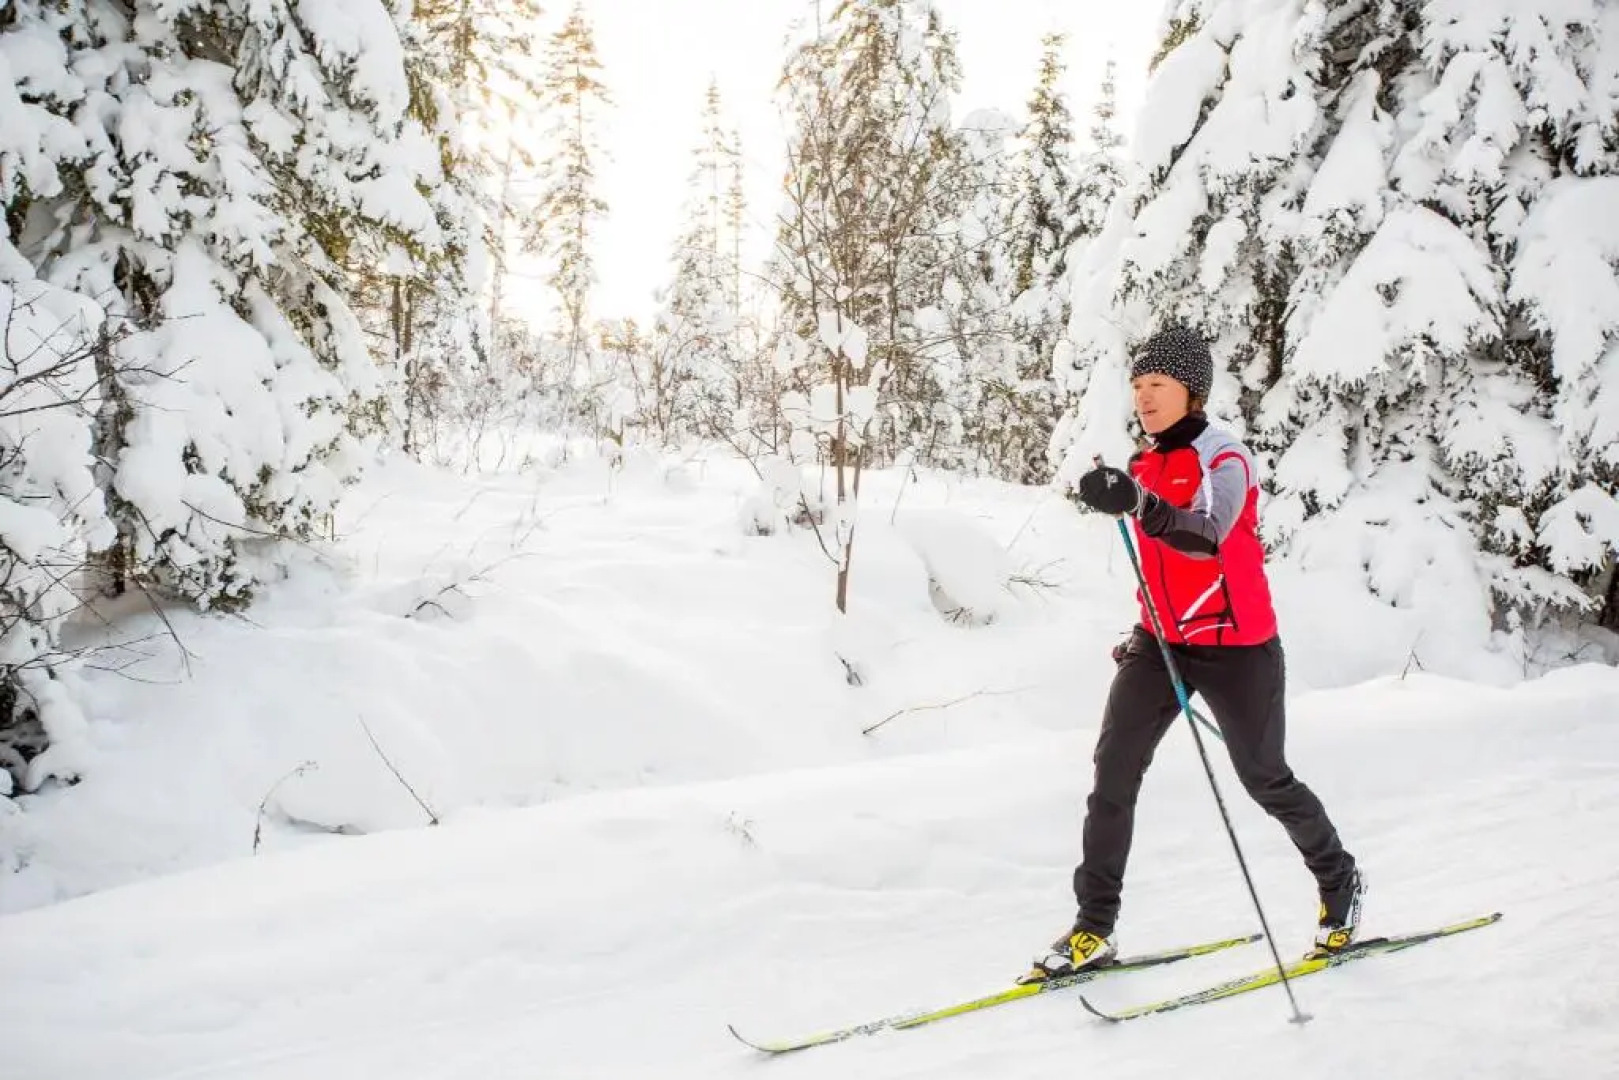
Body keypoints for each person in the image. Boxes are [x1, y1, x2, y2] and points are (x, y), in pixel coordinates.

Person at [1021, 326, 1363, 984]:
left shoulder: (1223, 458)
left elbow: (1207, 536)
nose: (1144, 398)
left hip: (1237, 649)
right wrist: (1141, 626)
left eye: (1157, 386)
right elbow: (1159, 566)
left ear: (1191, 391)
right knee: (1111, 776)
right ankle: (1094, 929)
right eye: (1138, 387)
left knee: (1265, 779)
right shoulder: (1144, 460)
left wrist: (1141, 506)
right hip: (1161, 646)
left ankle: (1340, 881)